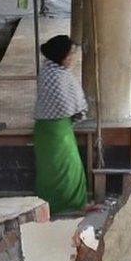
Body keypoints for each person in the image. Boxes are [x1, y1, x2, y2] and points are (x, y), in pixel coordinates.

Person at [33, 35, 88, 214]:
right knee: (58, 169)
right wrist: (78, 110)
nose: (73, 58)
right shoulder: (54, 75)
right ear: (60, 55)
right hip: (54, 130)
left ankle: (66, 205)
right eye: (70, 54)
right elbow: (64, 105)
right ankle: (58, 206)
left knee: (68, 167)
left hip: (57, 129)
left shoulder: (54, 71)